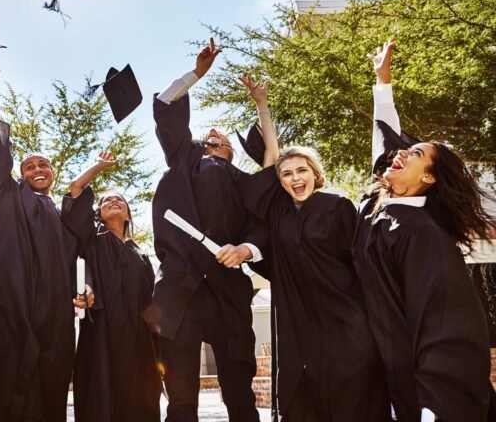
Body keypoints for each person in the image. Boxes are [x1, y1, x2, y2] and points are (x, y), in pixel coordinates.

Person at [353, 40, 494, 421]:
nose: (400, 153)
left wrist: (436, 403)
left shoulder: (425, 234)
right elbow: (384, 142)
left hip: (423, 385)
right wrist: (382, 82)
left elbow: (447, 325)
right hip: (381, 366)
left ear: (429, 177)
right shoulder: (376, 204)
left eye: (414, 154)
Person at [238, 77, 390, 421]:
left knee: (353, 392)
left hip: (345, 315)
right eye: (287, 174)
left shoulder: (337, 206)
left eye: (302, 170)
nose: (295, 178)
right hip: (299, 318)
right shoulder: (278, 212)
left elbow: (361, 260)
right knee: (303, 393)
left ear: (316, 174)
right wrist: (262, 105)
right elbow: (271, 157)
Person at [148, 38, 268, 421]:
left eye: (223, 137)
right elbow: (166, 105)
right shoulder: (184, 158)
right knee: (181, 399)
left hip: (227, 292)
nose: (215, 135)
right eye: (209, 134)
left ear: (232, 149)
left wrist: (246, 249)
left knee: (239, 393)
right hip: (179, 289)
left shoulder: (244, 183)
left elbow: (263, 223)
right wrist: (197, 74)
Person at [0, 56, 93, 422]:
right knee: (6, 379)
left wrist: (86, 287)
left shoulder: (63, 218)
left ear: (53, 174)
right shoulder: (6, 197)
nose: (37, 169)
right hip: (13, 304)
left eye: (43, 165)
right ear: (20, 175)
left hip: (54, 315)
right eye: (29, 166)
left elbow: (83, 255)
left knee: (51, 382)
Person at [63, 152, 161, 422]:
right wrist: (100, 166)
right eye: (107, 200)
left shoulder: (139, 253)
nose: (114, 201)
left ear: (128, 213)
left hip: (139, 338)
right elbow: (76, 189)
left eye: (120, 200)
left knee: (141, 396)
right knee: (102, 396)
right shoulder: (92, 239)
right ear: (99, 213)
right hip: (103, 332)